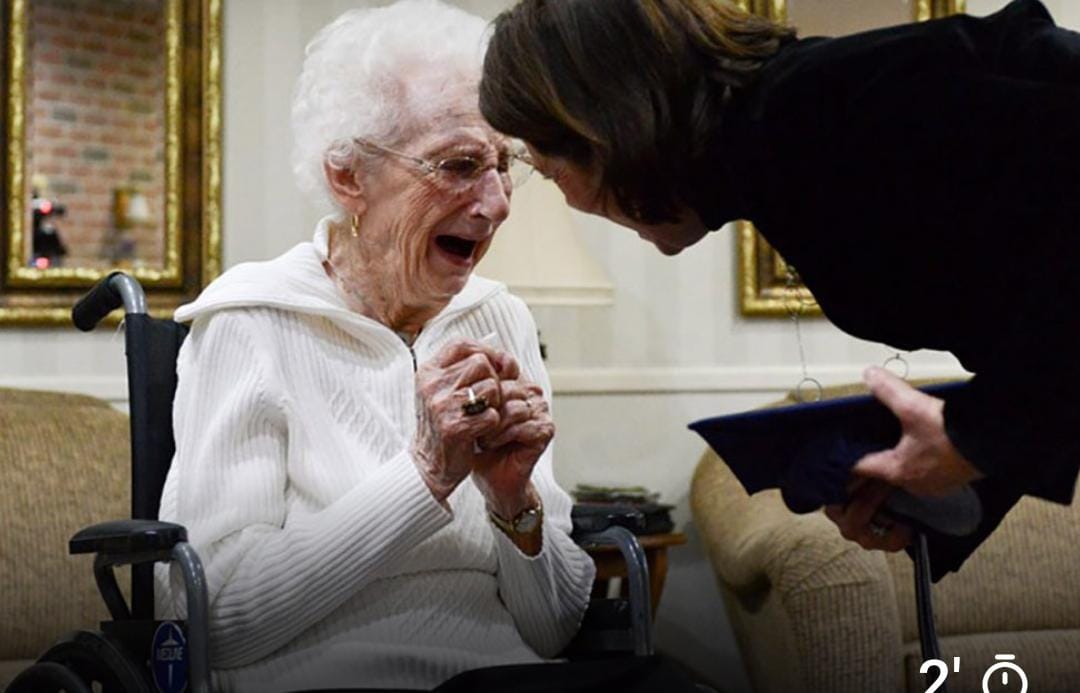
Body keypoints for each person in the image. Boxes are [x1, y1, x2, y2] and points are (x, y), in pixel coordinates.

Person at [478, 0, 1080, 577]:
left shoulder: (811, 105)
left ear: (608, 129)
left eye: (554, 172)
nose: (574, 202)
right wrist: (957, 492)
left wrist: (982, 435)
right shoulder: (779, 147)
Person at [153, 2, 598, 689]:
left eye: (504, 164)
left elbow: (555, 627)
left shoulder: (499, 317)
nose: (499, 202)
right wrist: (424, 475)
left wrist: (514, 503)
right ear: (348, 177)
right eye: (459, 164)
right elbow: (214, 618)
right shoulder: (251, 321)